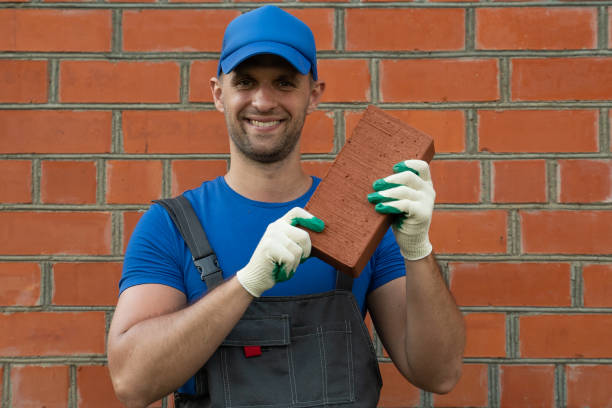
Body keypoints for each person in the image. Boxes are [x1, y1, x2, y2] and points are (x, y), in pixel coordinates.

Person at [107, 5, 465, 408]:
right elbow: (130, 382)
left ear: (313, 95)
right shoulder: (171, 226)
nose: (263, 101)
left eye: (283, 83)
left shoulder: (366, 219)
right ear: (217, 93)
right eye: (245, 81)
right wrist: (247, 283)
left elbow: (440, 373)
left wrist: (418, 249)